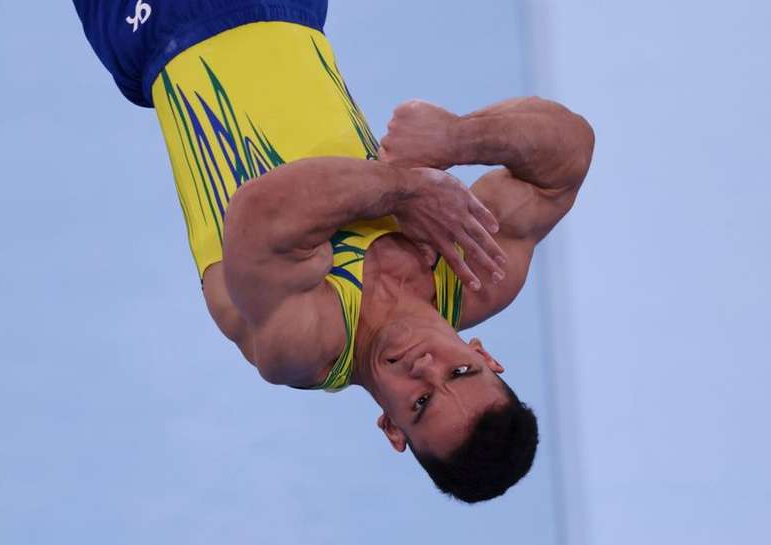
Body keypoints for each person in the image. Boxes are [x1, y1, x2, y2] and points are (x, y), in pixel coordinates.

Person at [73, 0, 594, 503]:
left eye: (421, 402)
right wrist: (462, 138)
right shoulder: (477, 273)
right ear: (485, 357)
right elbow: (567, 158)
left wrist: (405, 190)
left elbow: (262, 211)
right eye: (459, 372)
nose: (425, 366)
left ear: (391, 428)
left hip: (165, 24)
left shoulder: (305, 344)